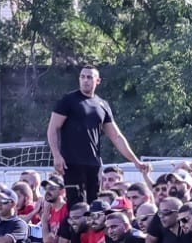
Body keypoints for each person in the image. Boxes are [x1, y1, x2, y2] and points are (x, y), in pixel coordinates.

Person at [47, 66, 150, 204]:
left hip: (94, 165)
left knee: (94, 206)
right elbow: (52, 129)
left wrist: (136, 161)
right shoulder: (68, 100)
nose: (85, 80)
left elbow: (116, 136)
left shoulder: (103, 105)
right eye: (82, 77)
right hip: (72, 164)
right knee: (77, 207)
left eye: (89, 77)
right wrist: (56, 155)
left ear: (98, 81)